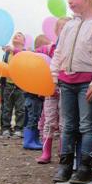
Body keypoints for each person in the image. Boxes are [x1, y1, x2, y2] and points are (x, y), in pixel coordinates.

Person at [51, 0, 92, 184]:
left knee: (86, 125)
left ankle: (85, 167)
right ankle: (65, 165)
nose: (70, 1)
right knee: (67, 125)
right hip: (66, 81)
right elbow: (58, 52)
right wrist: (55, 75)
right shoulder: (68, 26)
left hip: (87, 83)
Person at [36, 17, 71, 163]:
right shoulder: (49, 49)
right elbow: (35, 57)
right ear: (56, 31)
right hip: (50, 91)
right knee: (49, 121)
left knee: (64, 122)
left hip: (66, 89)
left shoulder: (72, 49)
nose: (64, 31)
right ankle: (46, 152)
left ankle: (63, 152)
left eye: (67, 28)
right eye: (61, 28)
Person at [23, 34, 51, 150]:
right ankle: (28, 141)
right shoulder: (37, 60)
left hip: (34, 96)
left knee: (35, 117)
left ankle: (33, 139)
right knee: (32, 118)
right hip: (33, 96)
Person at [0, 32, 26, 137]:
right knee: (7, 108)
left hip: (21, 86)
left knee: (20, 109)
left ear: (23, 42)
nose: (16, 36)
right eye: (15, 35)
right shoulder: (7, 54)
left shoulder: (24, 53)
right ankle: (5, 128)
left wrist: (12, 50)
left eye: (19, 35)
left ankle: (18, 129)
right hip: (8, 85)